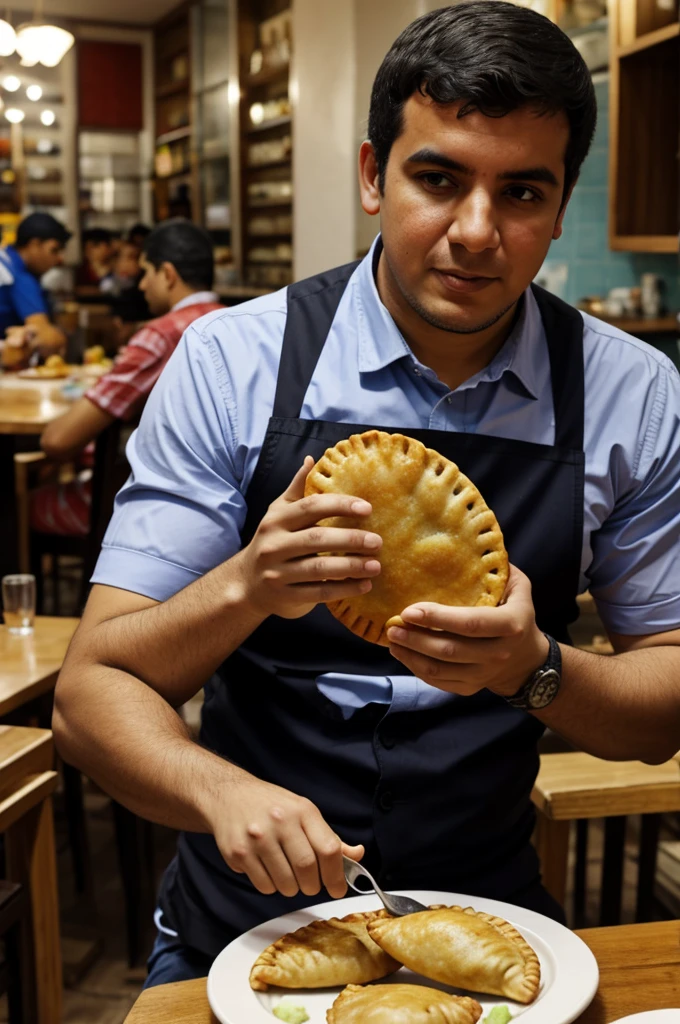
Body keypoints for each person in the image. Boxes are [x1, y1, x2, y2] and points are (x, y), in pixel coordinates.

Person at [53, 1, 680, 989]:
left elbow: (663, 702)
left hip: (490, 929)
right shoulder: (232, 363)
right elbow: (90, 697)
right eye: (437, 179)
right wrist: (248, 597)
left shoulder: (630, 392)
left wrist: (534, 666)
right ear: (369, 176)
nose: (475, 232)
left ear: (559, 209)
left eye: (520, 192)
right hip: (243, 932)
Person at [32, 220, 222, 535]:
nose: (142, 284)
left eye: (147, 272)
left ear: (168, 274)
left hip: (145, 508)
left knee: (15, 505)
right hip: (218, 505)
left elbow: (57, 441)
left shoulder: (161, 335)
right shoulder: (232, 323)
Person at [0, 211, 70, 365]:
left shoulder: (5, 262)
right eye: (54, 250)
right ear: (34, 245)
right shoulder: (18, 276)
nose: (59, 259)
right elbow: (47, 340)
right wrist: (60, 337)